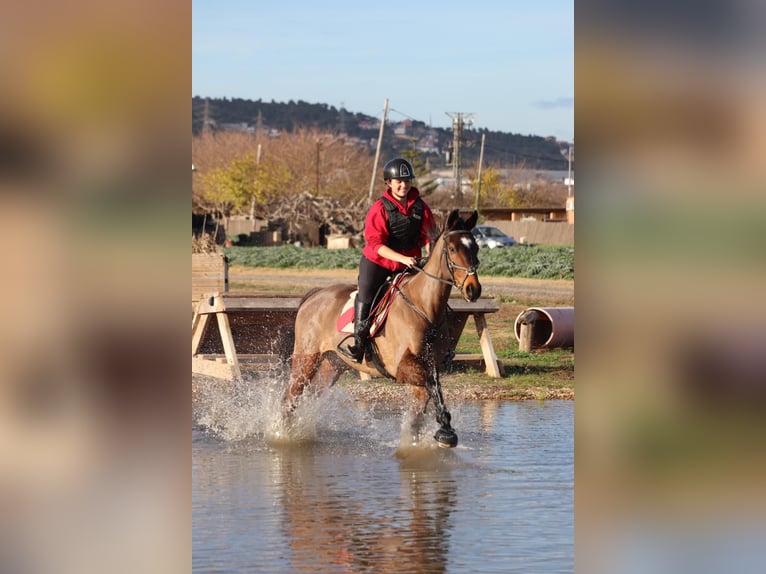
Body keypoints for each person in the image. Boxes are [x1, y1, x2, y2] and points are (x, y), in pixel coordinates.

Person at [339, 157, 437, 362]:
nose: (403, 185)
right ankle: (358, 343)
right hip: (378, 262)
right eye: (398, 181)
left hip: (410, 263)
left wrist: (430, 254)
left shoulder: (421, 207)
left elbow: (429, 235)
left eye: (407, 181)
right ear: (389, 183)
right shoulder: (379, 208)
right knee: (366, 296)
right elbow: (375, 244)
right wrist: (403, 258)